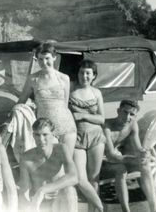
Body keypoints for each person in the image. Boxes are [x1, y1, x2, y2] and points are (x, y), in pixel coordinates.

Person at [18, 41, 77, 156]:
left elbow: (65, 105)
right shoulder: (33, 79)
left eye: (47, 58)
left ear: (54, 57)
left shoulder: (64, 78)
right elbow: (21, 101)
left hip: (67, 128)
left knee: (67, 163)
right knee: (49, 165)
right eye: (40, 59)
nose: (44, 63)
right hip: (45, 131)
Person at [103, 100, 156, 212]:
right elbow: (110, 155)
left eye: (132, 114)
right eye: (125, 112)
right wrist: (134, 159)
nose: (127, 117)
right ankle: (126, 210)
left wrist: (143, 153)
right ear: (118, 111)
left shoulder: (132, 125)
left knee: (145, 165)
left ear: (135, 116)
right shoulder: (107, 126)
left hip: (118, 158)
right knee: (121, 169)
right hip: (103, 161)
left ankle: (155, 208)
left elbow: (138, 148)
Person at [19, 118, 78, 212]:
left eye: (45, 134)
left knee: (69, 190)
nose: (41, 139)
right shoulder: (26, 158)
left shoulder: (61, 149)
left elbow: (74, 177)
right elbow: (24, 189)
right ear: (33, 135)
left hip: (59, 201)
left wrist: (42, 190)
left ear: (53, 135)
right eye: (37, 135)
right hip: (39, 203)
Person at [69, 60, 105, 212]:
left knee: (94, 178)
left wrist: (82, 115)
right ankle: (100, 207)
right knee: (80, 178)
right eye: (81, 72)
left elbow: (101, 119)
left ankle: (93, 210)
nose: (84, 76)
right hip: (77, 138)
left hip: (96, 137)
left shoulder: (97, 93)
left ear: (94, 76)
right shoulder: (70, 90)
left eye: (88, 73)